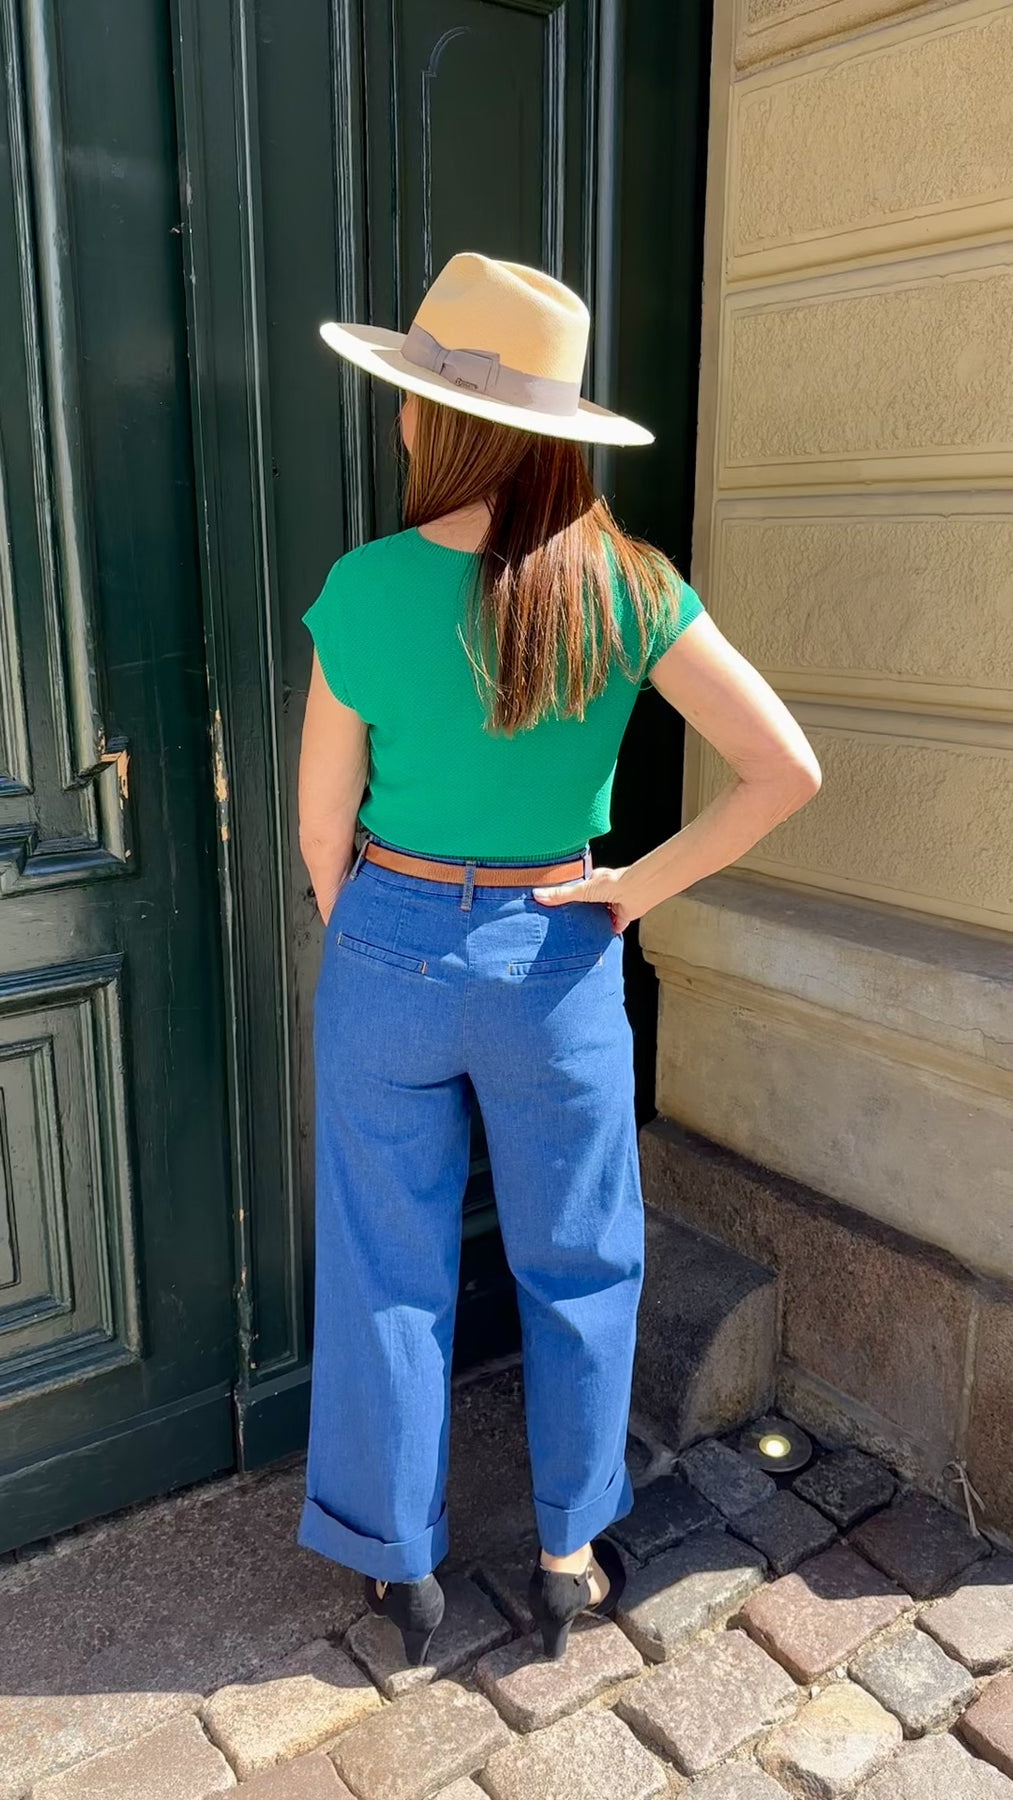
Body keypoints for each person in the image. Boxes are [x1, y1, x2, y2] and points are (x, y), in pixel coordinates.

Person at [296, 252, 821, 1665]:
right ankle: (568, 1559)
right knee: (582, 1265)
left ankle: (397, 1567)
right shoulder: (629, 587)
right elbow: (784, 769)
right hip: (559, 952)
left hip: (391, 939)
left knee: (385, 1263)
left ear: (438, 419)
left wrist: (379, 929)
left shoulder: (363, 587)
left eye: (412, 396)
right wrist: (632, 889)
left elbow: (321, 827)